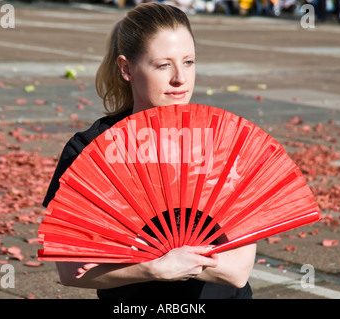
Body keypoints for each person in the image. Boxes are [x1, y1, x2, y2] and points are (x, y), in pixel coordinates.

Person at [43, 2, 256, 300]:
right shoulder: (92, 148)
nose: (180, 78)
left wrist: (171, 259)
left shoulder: (222, 141)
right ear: (126, 68)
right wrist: (153, 267)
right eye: (163, 65)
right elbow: (70, 271)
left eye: (189, 62)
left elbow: (237, 270)